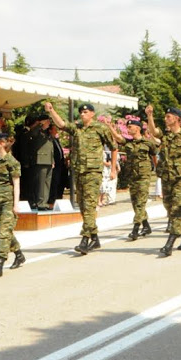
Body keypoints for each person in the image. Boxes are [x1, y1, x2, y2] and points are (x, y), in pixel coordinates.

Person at [45, 102, 117, 254]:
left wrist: (113, 169)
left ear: (92, 113)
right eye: (81, 112)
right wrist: (52, 111)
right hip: (79, 171)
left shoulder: (100, 128)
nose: (82, 114)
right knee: (83, 206)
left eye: (85, 112)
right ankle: (95, 238)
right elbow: (62, 124)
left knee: (90, 205)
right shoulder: (76, 128)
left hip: (93, 171)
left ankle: (85, 239)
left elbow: (114, 146)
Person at [146, 105, 181, 256]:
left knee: (178, 207)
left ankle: (170, 242)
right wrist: (150, 116)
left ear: (177, 118)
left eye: (168, 116)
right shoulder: (166, 136)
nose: (165, 119)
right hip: (167, 177)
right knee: (169, 206)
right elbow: (153, 131)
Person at [107, 118, 157, 240]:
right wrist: (109, 127)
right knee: (135, 202)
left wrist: (157, 168)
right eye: (127, 127)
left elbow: (154, 156)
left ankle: (135, 229)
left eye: (130, 127)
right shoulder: (128, 142)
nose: (128, 129)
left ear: (138, 128)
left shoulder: (148, 143)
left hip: (144, 176)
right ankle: (146, 226)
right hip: (132, 176)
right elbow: (118, 138)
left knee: (140, 202)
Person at [0, 133, 24, 277]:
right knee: (5, 230)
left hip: (8, 200)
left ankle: (0, 263)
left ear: (1, 144)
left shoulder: (11, 161)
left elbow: (17, 183)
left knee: (4, 232)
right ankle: (19, 254)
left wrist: (16, 204)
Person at [29, 114, 54, 210]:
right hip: (41, 160)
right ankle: (40, 203)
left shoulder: (46, 133)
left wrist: (52, 160)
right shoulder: (38, 131)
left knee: (47, 183)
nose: (49, 123)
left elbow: (50, 148)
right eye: (47, 121)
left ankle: (44, 202)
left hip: (48, 161)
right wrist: (40, 125)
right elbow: (32, 133)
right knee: (41, 183)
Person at [48, 124, 68, 208]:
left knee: (60, 182)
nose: (56, 131)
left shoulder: (56, 140)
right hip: (54, 165)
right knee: (54, 183)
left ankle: (59, 198)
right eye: (54, 129)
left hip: (61, 165)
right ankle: (52, 200)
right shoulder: (49, 140)